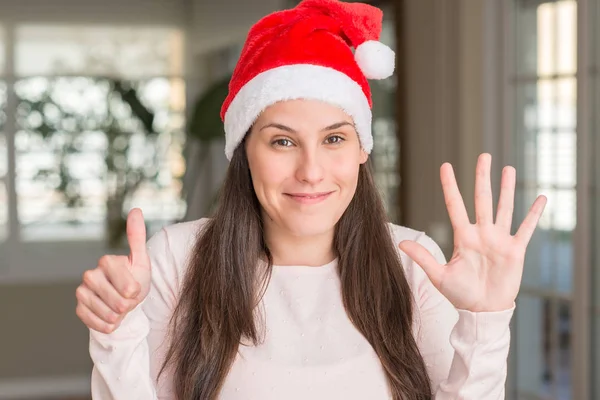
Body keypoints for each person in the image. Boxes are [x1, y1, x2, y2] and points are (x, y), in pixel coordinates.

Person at [75, 0, 547, 399]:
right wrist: (117, 329)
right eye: (282, 141)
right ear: (245, 151)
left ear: (362, 149)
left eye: (334, 139)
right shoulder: (177, 259)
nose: (311, 171)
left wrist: (483, 323)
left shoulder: (412, 263)